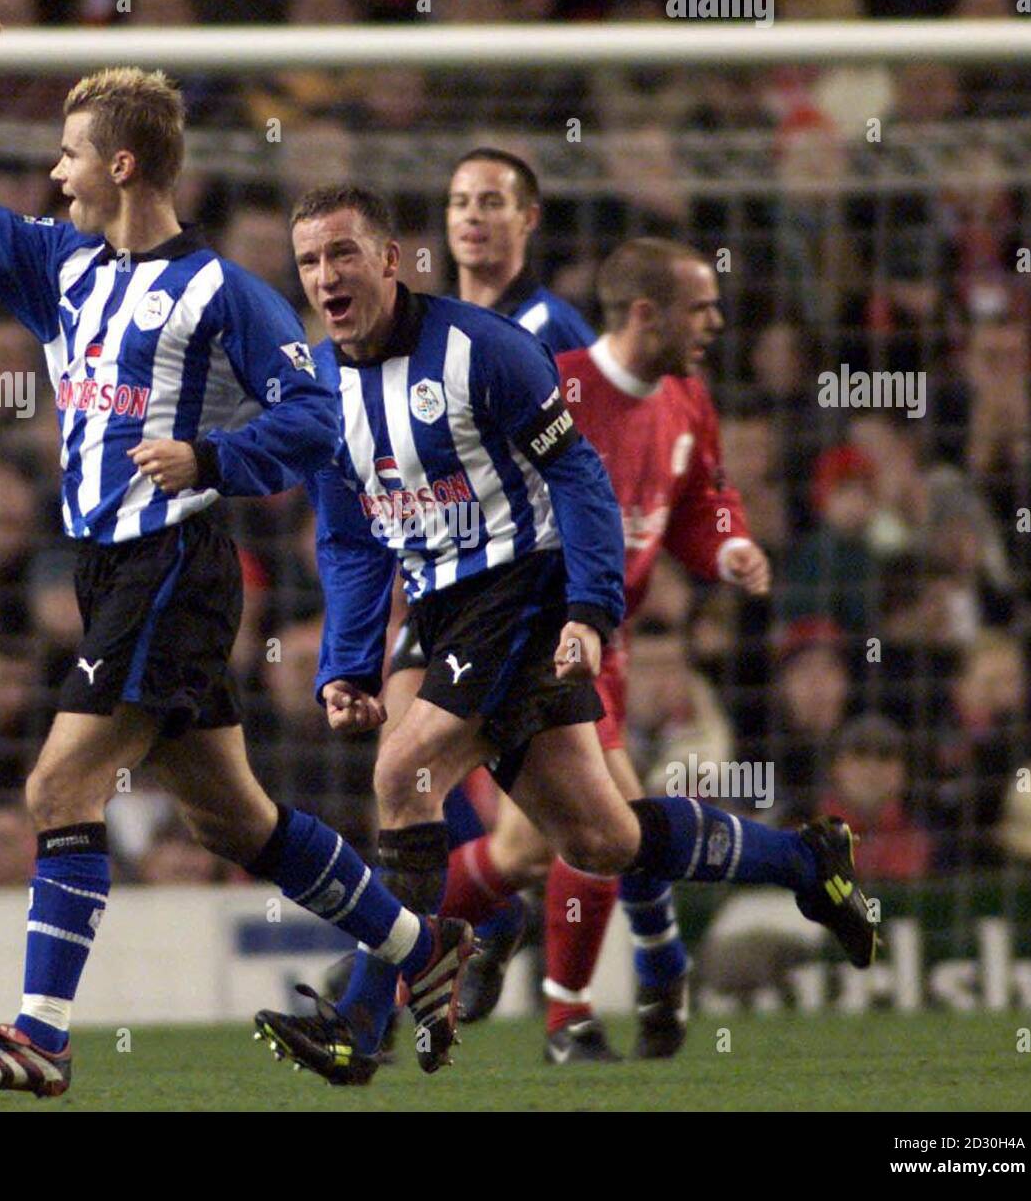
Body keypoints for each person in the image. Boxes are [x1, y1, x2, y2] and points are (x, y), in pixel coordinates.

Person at [0, 18, 472, 1098]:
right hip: (105, 571)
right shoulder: (60, 264)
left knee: (59, 782)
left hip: (175, 564)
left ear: (120, 163)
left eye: (69, 154)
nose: (55, 175)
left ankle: (43, 1037)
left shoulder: (222, 294)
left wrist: (214, 452)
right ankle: (421, 947)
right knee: (233, 818)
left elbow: (315, 417)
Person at [255, 185, 879, 1087]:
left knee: (403, 769)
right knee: (600, 841)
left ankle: (364, 1017)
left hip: (521, 593)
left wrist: (590, 609)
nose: (326, 276)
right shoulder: (320, 385)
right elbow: (351, 539)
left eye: (343, 254)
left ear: (390, 259)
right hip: (442, 611)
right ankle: (808, 858)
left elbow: (578, 477)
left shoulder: (484, 349)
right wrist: (347, 663)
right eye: (310, 260)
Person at [431, 238, 776, 1062]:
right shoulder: (560, 385)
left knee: (546, 843)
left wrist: (727, 547)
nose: (717, 323)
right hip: (538, 638)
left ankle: (388, 951)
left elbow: (705, 498)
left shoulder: (688, 399)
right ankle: (587, 1003)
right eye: (701, 308)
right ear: (647, 313)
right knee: (604, 826)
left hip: (604, 643)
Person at [378, 148, 596, 1016]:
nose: (473, 216)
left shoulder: (551, 326)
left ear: (527, 219)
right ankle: (484, 920)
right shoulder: (425, 326)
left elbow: (588, 461)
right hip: (437, 576)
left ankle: (388, 982)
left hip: (525, 580)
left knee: (580, 820)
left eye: (494, 201)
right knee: (404, 751)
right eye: (460, 200)